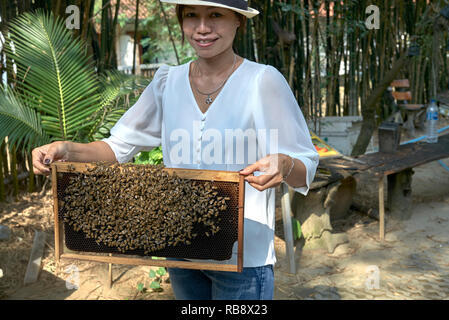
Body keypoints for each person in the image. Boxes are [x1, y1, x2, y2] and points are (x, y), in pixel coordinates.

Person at [32, 0, 319, 300]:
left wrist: (285, 164)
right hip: (180, 251)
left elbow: (305, 168)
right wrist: (66, 149)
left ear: (238, 21)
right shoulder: (167, 82)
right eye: (191, 16)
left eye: (216, 15)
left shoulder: (263, 81)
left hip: (243, 260)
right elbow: (117, 148)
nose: (202, 27)